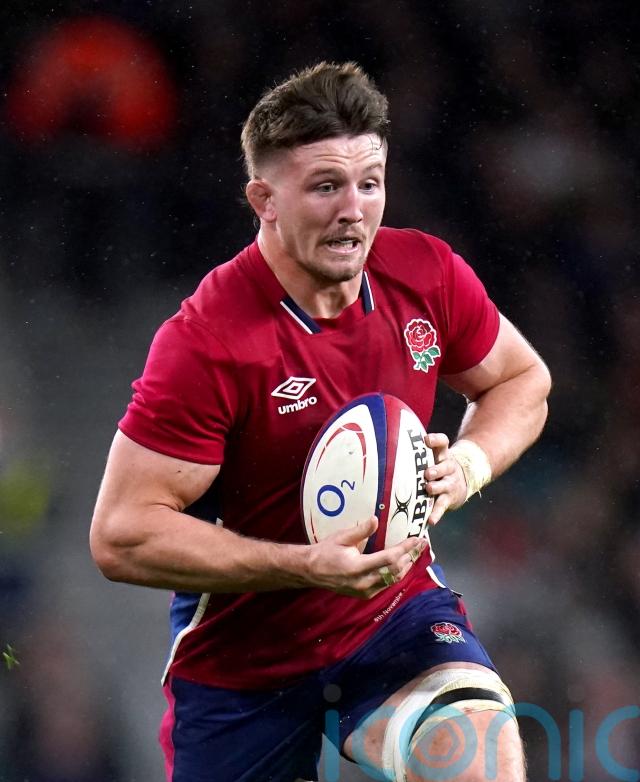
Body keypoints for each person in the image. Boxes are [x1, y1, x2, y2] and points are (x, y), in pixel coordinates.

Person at [90, 61, 551, 782]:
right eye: (326, 186)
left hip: (393, 621)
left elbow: (523, 381)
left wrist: (467, 466)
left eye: (370, 183)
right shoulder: (208, 341)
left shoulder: (425, 274)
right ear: (264, 199)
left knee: (481, 761)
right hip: (242, 668)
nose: (354, 210)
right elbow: (121, 534)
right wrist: (305, 566)